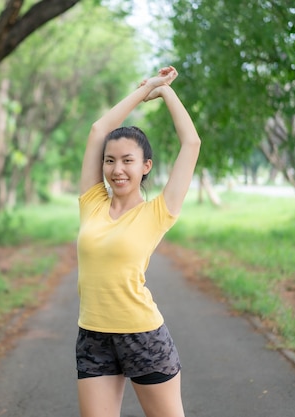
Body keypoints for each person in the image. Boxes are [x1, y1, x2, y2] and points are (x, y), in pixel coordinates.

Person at [76, 66, 201, 417]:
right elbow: (99, 129)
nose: (117, 169)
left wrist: (163, 91)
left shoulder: (158, 212)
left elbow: (192, 143)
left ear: (145, 166)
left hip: (143, 336)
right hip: (93, 336)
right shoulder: (92, 203)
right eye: (110, 160)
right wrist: (142, 89)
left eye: (128, 161)